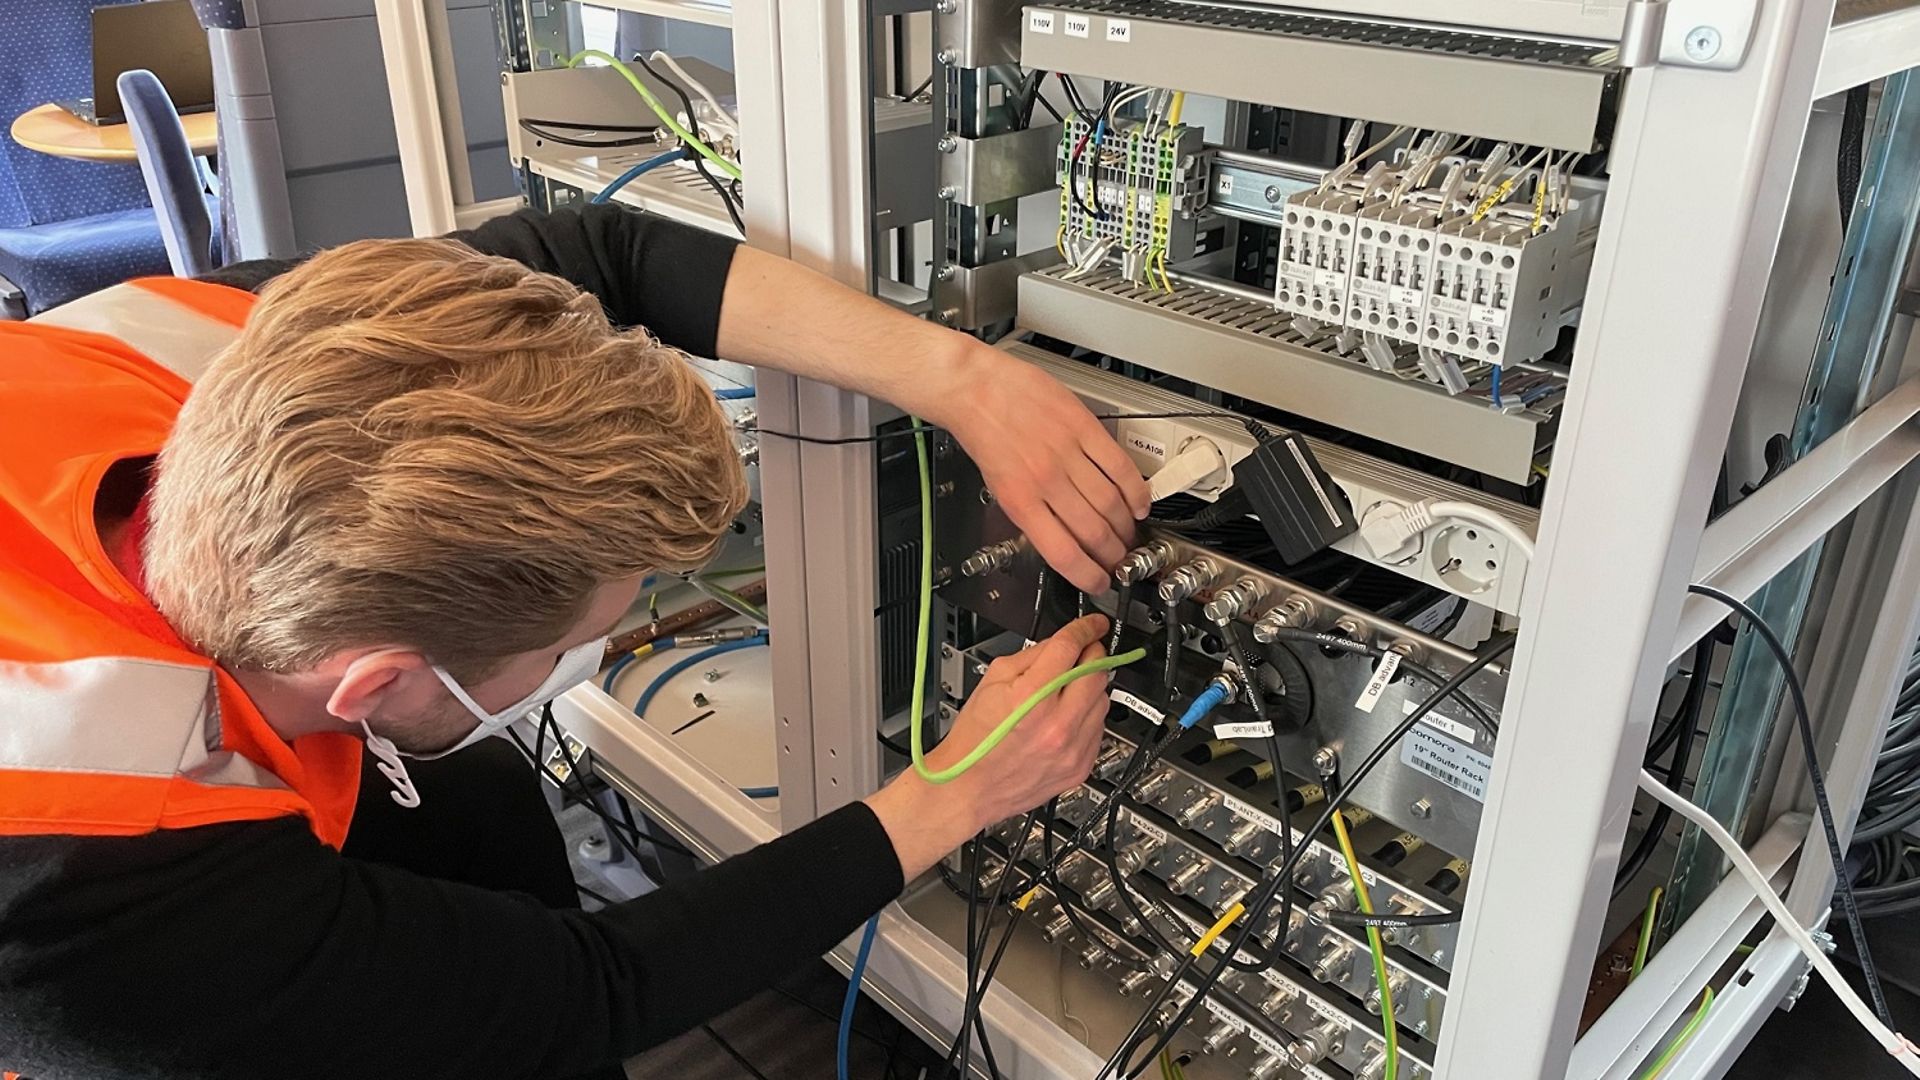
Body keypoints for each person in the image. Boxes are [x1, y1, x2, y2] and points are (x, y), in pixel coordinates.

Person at [0, 205, 1151, 1079]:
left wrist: (964, 380)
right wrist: (950, 798)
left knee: (486, 803)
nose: (597, 651)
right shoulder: (83, 874)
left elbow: (605, 252)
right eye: (583, 639)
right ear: (377, 680)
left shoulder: (252, 357)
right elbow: (588, 992)